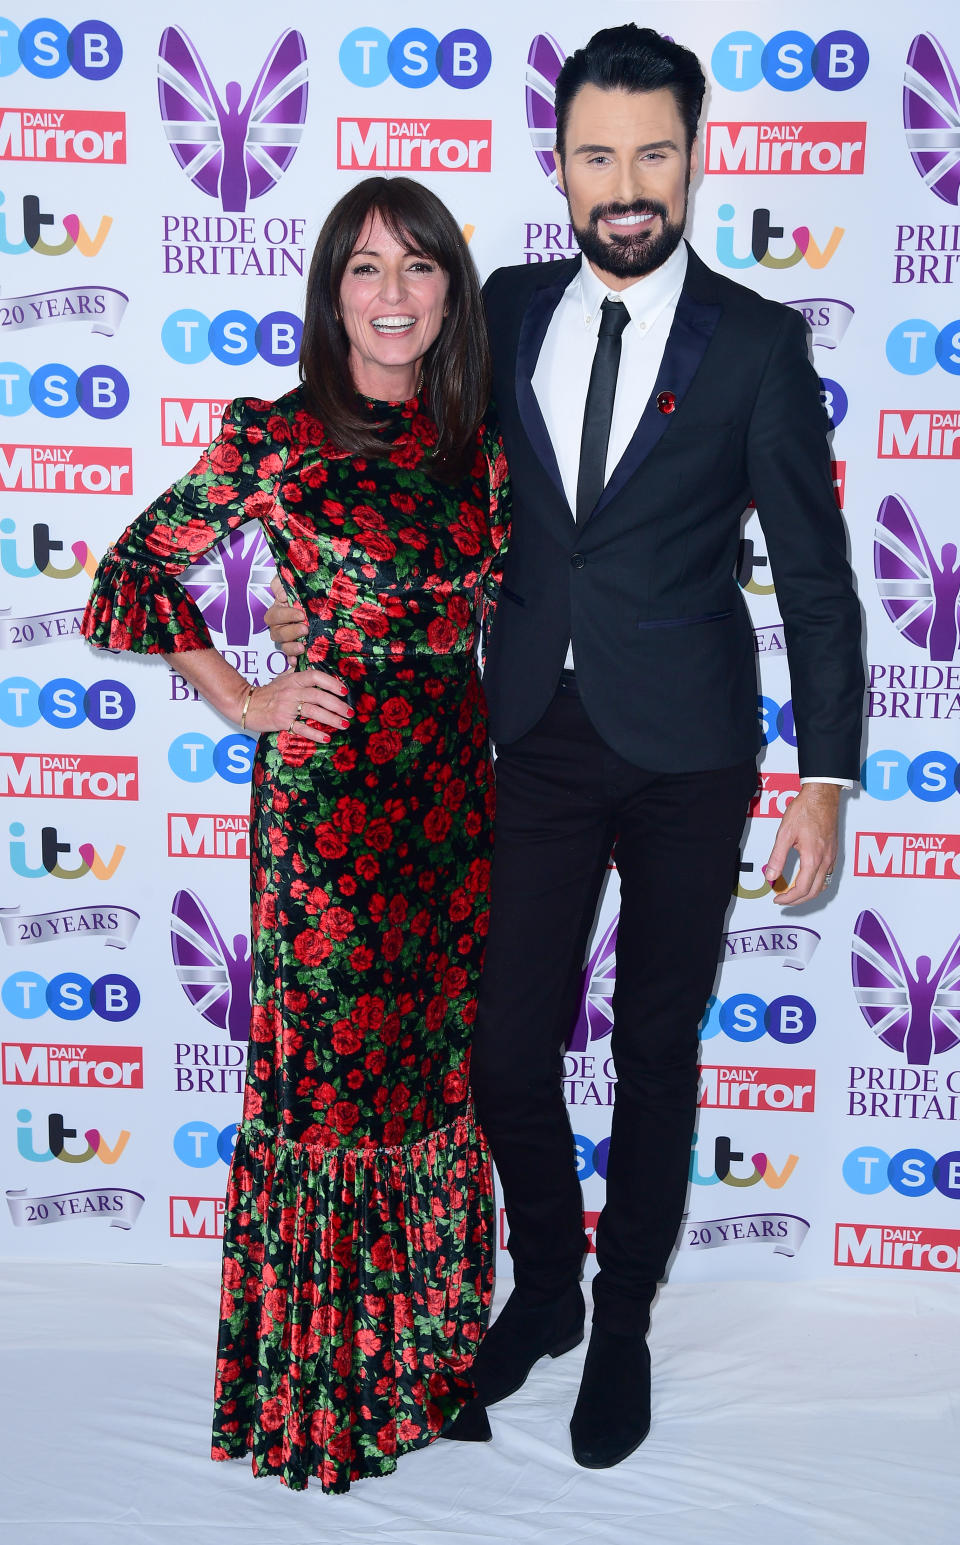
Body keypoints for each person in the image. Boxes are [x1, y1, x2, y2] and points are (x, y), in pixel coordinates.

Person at [265, 25, 864, 1473]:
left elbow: (821, 574)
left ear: (697, 154)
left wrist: (826, 782)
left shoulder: (762, 345)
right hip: (524, 732)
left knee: (658, 1048)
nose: (628, 181)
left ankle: (628, 1319)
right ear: (561, 165)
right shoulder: (507, 309)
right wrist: (305, 583)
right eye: (599, 154)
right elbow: (390, 443)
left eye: (654, 150)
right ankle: (546, 1283)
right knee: (499, 1045)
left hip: (689, 750)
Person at [81, 175, 509, 1493]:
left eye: (417, 268)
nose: (392, 296)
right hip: (327, 814)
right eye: (365, 269)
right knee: (328, 1093)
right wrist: (250, 692)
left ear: (451, 291)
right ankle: (325, 1391)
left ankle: (426, 1363)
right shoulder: (273, 437)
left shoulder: (484, 443)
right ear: (332, 292)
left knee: (433, 1084)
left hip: (453, 804)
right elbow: (125, 584)